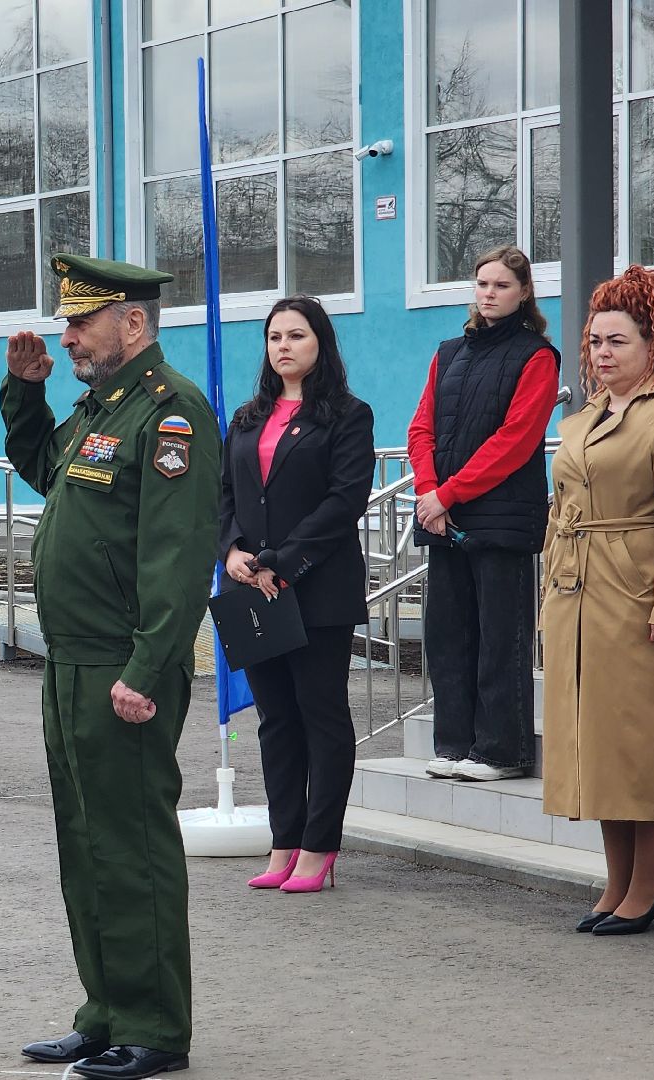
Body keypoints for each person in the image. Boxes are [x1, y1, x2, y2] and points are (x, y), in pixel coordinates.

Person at [0, 253, 219, 1080]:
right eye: (66, 322)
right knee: (85, 842)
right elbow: (45, 472)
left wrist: (147, 667)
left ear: (132, 322)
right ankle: (106, 1012)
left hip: (126, 665)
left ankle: (156, 1027)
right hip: (74, 663)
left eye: (81, 322)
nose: (68, 336)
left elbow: (176, 555)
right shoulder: (103, 409)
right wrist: (27, 392)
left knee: (132, 845)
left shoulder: (170, 416)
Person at [541, 265, 654, 936]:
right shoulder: (586, 418)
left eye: (617, 341)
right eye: (593, 342)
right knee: (603, 747)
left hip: (639, 596)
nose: (602, 353)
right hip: (579, 596)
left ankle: (648, 888)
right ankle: (617, 884)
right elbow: (563, 509)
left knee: (647, 747)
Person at [216, 297, 375, 894]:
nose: (283, 346)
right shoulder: (247, 416)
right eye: (274, 336)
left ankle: (319, 847)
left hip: (315, 588)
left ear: (321, 344)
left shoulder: (347, 416)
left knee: (320, 716)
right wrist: (231, 550)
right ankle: (283, 841)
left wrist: (283, 562)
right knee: (275, 720)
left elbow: (344, 501)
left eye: (297, 336)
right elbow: (224, 493)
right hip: (251, 589)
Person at [407, 245, 560, 782]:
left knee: (501, 638)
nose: (489, 293)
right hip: (443, 517)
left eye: (500, 285)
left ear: (522, 294)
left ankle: (502, 750)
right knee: (448, 638)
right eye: (482, 284)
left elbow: (516, 441)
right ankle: (453, 745)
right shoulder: (448, 352)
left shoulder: (537, 356)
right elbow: (421, 428)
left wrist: (446, 495)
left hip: (500, 521)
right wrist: (430, 494)